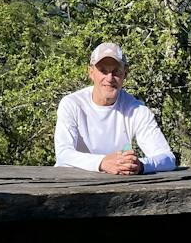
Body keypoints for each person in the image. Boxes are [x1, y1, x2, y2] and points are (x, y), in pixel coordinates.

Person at [54, 42, 176, 175]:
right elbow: (63, 154)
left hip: (117, 188)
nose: (109, 78)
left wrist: (140, 165)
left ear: (125, 73)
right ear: (91, 73)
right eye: (103, 71)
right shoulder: (72, 104)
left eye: (116, 71)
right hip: (71, 185)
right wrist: (102, 163)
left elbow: (168, 158)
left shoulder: (137, 110)